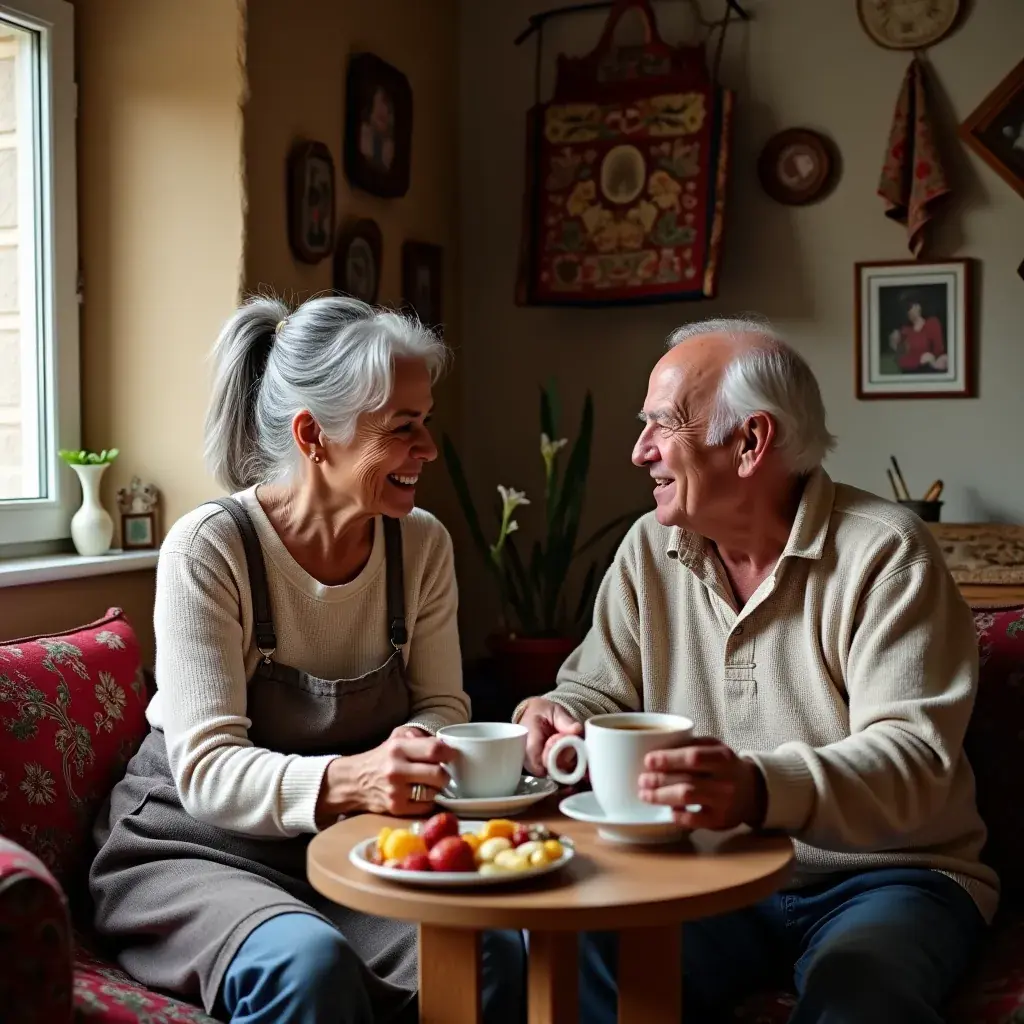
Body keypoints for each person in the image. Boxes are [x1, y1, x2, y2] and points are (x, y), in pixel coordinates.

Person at [517, 318, 997, 1023]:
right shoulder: (649, 548)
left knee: (860, 998)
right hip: (709, 872)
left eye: (662, 425)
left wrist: (757, 788)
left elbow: (912, 760)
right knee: (578, 963)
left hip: (888, 877)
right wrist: (558, 712)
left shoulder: (886, 553)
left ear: (750, 442)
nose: (639, 451)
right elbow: (597, 688)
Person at [90, 296, 526, 1024]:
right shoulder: (211, 548)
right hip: (198, 849)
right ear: (314, 436)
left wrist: (420, 746)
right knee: (308, 966)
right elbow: (206, 771)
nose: (428, 448)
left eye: (426, 421)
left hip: (349, 850)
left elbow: (443, 706)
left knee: (490, 952)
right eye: (403, 427)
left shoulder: (420, 544)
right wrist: (357, 777)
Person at [888, 291, 947, 372]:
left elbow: (939, 350)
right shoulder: (905, 331)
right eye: (907, 309)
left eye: (915, 305)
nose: (914, 309)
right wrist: (920, 360)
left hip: (932, 369)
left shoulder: (932, 323)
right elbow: (901, 360)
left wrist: (935, 360)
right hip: (913, 370)